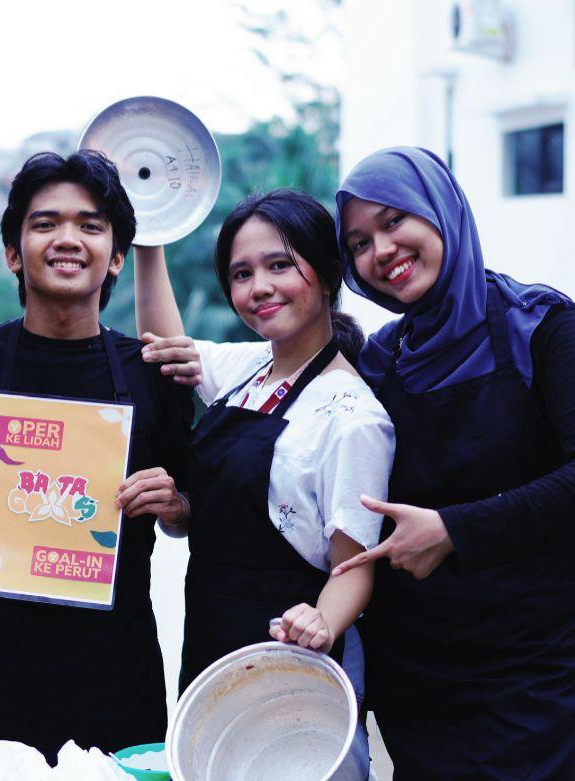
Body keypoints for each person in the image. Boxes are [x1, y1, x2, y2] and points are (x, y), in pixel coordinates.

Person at [0, 150, 193, 777]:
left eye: (90, 225)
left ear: (117, 257)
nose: (67, 239)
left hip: (118, 665)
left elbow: (190, 510)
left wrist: (174, 502)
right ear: (14, 253)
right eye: (45, 223)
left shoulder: (152, 373)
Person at [330, 146, 575, 780]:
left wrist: (454, 530)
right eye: (359, 243)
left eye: (395, 220)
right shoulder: (379, 363)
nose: (381, 250)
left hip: (532, 663)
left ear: (441, 210)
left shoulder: (543, 325)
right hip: (417, 674)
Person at [134, 190, 395, 779]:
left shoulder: (353, 417)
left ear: (327, 273)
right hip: (212, 636)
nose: (260, 287)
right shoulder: (248, 368)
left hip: (295, 652)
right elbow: (162, 351)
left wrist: (322, 622)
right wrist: (151, 234)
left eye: (280, 265)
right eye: (241, 274)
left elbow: (355, 566)